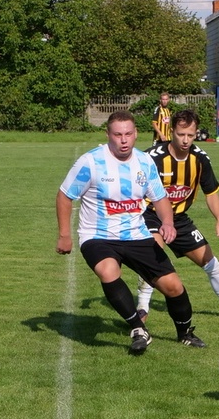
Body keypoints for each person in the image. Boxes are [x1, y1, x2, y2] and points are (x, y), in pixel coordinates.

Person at [56, 110, 206, 354]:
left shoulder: (144, 162)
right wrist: (65, 235)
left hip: (137, 234)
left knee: (173, 286)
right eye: (117, 135)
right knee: (108, 271)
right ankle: (138, 328)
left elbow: (160, 198)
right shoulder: (90, 162)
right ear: (108, 135)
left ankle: (185, 333)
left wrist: (168, 223)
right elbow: (65, 195)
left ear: (136, 134)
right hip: (98, 235)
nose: (123, 140)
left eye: (128, 134)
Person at [136, 109, 219, 323]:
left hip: (179, 218)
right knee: (155, 255)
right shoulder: (152, 158)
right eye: (181, 134)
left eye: (190, 135)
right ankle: (142, 309)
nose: (185, 140)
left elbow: (211, 192)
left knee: (210, 261)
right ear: (172, 132)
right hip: (150, 215)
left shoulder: (200, 159)